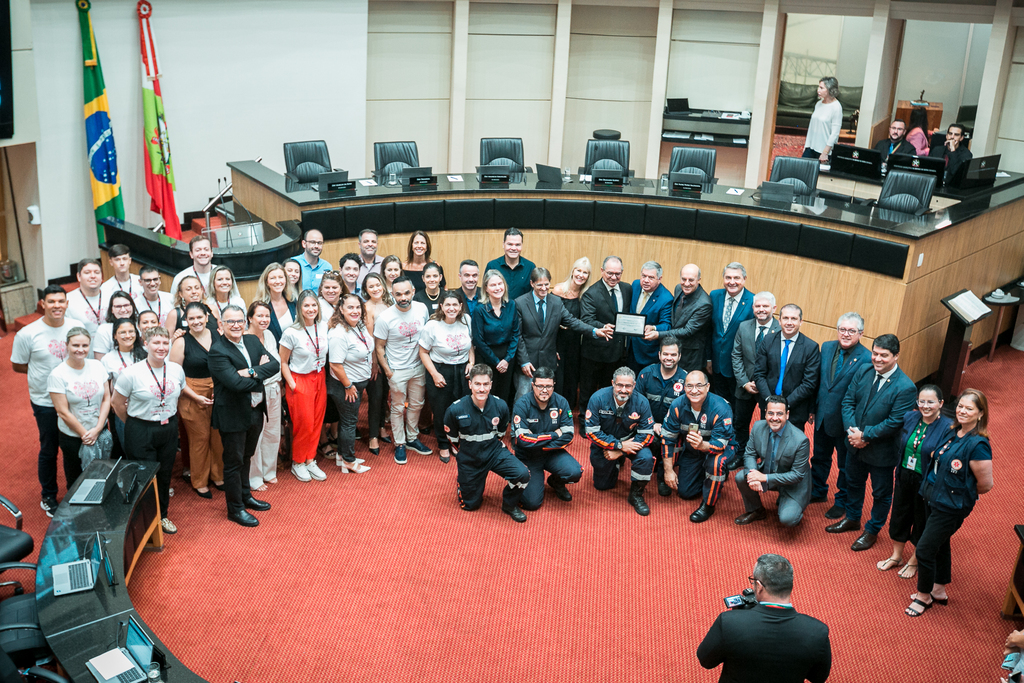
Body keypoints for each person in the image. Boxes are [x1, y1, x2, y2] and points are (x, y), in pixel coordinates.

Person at [905, 389, 994, 617]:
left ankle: (924, 596)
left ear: (981, 414)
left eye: (969, 408)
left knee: (924, 550)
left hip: (950, 506)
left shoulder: (978, 445)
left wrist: (958, 496)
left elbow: (985, 485)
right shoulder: (954, 431)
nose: (962, 411)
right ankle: (939, 589)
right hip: (932, 496)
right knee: (940, 544)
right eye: (960, 406)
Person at [827, 333, 917, 551]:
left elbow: (895, 422)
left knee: (881, 493)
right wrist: (853, 432)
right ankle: (853, 518)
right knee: (853, 483)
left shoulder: (906, 387)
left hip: (882, 452)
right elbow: (848, 401)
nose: (877, 359)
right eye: (875, 353)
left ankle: (872, 530)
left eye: (883, 355)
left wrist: (864, 436)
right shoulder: (864, 369)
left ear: (896, 356)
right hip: (854, 444)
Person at [696, 554, 832, 683]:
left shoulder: (729, 623)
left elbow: (706, 660)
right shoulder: (817, 631)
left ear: (760, 587)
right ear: (789, 585)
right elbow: (818, 677)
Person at [11, 285, 84, 516]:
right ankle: (49, 495)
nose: (56, 306)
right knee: (50, 448)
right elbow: (18, 365)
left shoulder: (76, 328)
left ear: (67, 303)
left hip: (75, 398)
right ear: (42, 304)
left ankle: (79, 490)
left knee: (75, 446)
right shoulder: (28, 334)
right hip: (45, 401)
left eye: (61, 301)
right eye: (51, 302)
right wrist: (48, 379)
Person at [208, 305, 278, 527]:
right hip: (232, 413)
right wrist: (259, 373)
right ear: (221, 325)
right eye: (231, 322)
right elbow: (234, 384)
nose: (236, 325)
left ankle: (246, 496)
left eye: (240, 321)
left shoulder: (253, 341)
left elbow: (275, 365)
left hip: (255, 409)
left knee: (246, 456)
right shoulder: (218, 351)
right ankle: (235, 508)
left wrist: (250, 372)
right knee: (233, 461)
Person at [112, 326, 185, 535]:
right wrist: (136, 424)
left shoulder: (176, 370)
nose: (161, 347)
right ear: (145, 345)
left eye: (165, 343)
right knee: (142, 476)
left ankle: (162, 516)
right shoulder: (131, 373)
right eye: (156, 342)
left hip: (168, 428)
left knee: (164, 474)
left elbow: (176, 396)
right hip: (141, 429)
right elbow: (117, 404)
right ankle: (142, 519)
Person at [876, 385, 953, 578]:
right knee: (900, 515)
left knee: (921, 518)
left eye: (930, 402)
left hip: (927, 481)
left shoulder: (948, 427)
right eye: (921, 401)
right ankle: (896, 556)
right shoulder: (910, 417)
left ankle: (914, 561)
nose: (925, 406)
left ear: (940, 403)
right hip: (904, 475)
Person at [443, 364, 531, 523]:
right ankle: (464, 482)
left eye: (485, 384)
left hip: (494, 452)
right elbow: (453, 439)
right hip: (470, 458)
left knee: (523, 474)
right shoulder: (455, 410)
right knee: (470, 505)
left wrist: (491, 447)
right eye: (477, 384)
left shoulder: (501, 405)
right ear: (470, 384)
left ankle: (509, 505)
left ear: (491, 384)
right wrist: (466, 454)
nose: (481, 389)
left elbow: (501, 432)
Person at [514, 266, 608, 402]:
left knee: (546, 399)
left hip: (548, 361)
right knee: (523, 397)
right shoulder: (520, 303)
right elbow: (518, 335)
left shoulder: (556, 302)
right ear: (532, 284)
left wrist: (594, 331)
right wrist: (524, 361)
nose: (543, 288)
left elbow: (572, 321)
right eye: (539, 285)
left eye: (546, 284)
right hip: (528, 362)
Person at [810, 312, 871, 519]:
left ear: (860, 333)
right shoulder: (827, 347)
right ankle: (817, 491)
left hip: (847, 422)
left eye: (851, 331)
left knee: (845, 466)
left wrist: (854, 424)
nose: (845, 334)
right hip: (822, 415)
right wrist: (813, 408)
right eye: (842, 330)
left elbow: (862, 396)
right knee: (819, 457)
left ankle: (842, 501)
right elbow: (819, 382)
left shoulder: (866, 358)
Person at [662, 370, 735, 523]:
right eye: (689, 386)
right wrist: (668, 471)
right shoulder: (677, 405)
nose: (694, 391)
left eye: (699, 386)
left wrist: (703, 445)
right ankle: (703, 473)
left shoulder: (721, 408)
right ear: (684, 387)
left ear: (708, 387)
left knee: (715, 464)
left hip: (720, 449)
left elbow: (721, 444)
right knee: (685, 492)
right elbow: (667, 438)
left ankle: (708, 505)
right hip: (693, 449)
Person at [374, 277, 432, 464]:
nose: (403, 297)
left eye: (406, 293)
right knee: (398, 408)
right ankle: (399, 443)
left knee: (416, 404)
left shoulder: (422, 309)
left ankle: (412, 438)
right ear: (392, 295)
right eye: (398, 294)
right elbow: (379, 347)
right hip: (397, 370)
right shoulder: (385, 318)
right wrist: (388, 371)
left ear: (413, 291)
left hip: (418, 367)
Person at [47, 327, 111, 498]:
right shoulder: (57, 374)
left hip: (99, 431)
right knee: (77, 479)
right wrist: (85, 434)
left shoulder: (97, 366)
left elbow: (106, 398)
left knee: (102, 474)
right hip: (74, 437)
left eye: (85, 345)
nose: (80, 350)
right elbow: (63, 411)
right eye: (75, 345)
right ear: (66, 345)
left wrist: (98, 429)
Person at [168, 302, 224, 498]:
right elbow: (174, 377)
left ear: (207, 317)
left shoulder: (217, 334)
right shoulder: (181, 341)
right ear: (186, 320)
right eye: (191, 318)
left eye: (199, 317)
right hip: (191, 392)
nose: (196, 321)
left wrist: (221, 388)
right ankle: (200, 481)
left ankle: (218, 475)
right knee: (200, 439)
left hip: (217, 390)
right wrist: (195, 396)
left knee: (217, 436)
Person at [584, 366, 655, 516]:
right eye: (619, 385)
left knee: (646, 458)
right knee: (602, 485)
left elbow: (648, 434)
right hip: (606, 444)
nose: (623, 390)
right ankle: (616, 464)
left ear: (634, 386)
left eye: (628, 386)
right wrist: (618, 446)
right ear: (613, 383)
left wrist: (621, 449)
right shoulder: (597, 398)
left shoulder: (642, 402)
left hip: (632, 441)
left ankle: (636, 494)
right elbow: (591, 433)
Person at [734, 396, 811, 527]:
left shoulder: (800, 440)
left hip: (792, 483)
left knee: (788, 519)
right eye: (770, 413)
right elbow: (750, 454)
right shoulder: (758, 427)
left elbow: (797, 475)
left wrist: (764, 478)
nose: (774, 418)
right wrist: (753, 475)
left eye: (779, 414)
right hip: (769, 470)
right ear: (765, 413)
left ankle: (790, 504)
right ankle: (756, 510)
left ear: (787, 414)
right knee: (742, 476)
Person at [511, 367, 581, 509]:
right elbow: (523, 440)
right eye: (540, 386)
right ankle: (527, 478)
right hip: (529, 457)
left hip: (552, 453)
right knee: (531, 504)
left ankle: (555, 481)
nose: (544, 390)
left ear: (553, 385)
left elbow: (568, 436)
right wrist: (555, 434)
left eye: (548, 386)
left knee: (575, 472)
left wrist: (536, 440)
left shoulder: (561, 402)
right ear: (533, 385)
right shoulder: (521, 404)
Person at [279, 290, 329, 482]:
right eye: (306, 305)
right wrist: (292, 384)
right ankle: (297, 462)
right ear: (299, 308)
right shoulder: (291, 332)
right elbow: (283, 362)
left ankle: (310, 459)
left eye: (314, 305)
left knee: (317, 422)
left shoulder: (323, 326)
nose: (311, 309)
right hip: (300, 380)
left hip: (319, 377)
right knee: (304, 424)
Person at [419, 290, 473, 463]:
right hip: (440, 370)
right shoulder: (432, 325)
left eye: (455, 305)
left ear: (460, 306)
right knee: (441, 410)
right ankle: (443, 444)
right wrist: (434, 374)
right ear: (441, 306)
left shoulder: (466, 320)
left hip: (462, 371)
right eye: (448, 304)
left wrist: (471, 362)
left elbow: (471, 345)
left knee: (461, 409)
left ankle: (455, 443)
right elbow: (423, 352)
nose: (451, 308)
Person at [752, 304, 820, 434]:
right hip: (768, 406)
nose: (789, 323)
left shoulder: (811, 347)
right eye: (786, 318)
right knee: (765, 443)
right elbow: (759, 373)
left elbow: (809, 383)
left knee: (790, 449)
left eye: (794, 319)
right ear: (779, 321)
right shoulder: (768, 340)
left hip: (795, 409)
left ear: (801, 322)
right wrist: (769, 401)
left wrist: (784, 404)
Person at [325, 293, 374, 474]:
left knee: (348, 421)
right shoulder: (338, 333)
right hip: (345, 387)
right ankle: (348, 461)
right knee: (349, 423)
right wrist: (348, 385)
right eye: (350, 307)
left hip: (355, 383)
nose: (355, 311)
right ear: (341, 310)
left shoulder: (357, 325)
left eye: (358, 307)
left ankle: (341, 455)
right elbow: (335, 364)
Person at [579, 256, 632, 417]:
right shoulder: (591, 293)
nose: (614, 277)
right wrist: (602, 327)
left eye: (618, 273)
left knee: (609, 391)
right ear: (602, 271)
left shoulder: (627, 289)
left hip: (617, 353)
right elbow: (586, 320)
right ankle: (584, 420)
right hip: (594, 353)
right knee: (587, 391)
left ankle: (605, 419)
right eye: (610, 273)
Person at [636, 336, 688, 497]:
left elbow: (686, 412)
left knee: (665, 439)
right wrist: (651, 424)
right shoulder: (646, 374)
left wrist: (667, 426)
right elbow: (636, 404)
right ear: (659, 355)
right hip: (646, 425)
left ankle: (662, 476)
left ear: (679, 356)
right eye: (665, 354)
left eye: (673, 355)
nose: (669, 358)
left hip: (673, 429)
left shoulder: (686, 380)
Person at [731, 291, 779, 460]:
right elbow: (736, 355)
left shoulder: (780, 330)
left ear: (773, 308)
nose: (761, 309)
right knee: (740, 423)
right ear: (753, 308)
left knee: (766, 425)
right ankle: (740, 455)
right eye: (758, 306)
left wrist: (762, 385)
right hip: (745, 386)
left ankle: (763, 459)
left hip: (768, 389)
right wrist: (744, 382)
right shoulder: (744, 326)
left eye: (765, 306)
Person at [645, 263, 711, 375]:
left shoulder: (704, 304)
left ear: (699, 280)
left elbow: (687, 330)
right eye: (683, 279)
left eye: (691, 280)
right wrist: (654, 327)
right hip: (672, 350)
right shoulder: (678, 289)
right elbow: (675, 319)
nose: (686, 283)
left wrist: (658, 334)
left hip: (690, 356)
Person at [245, 301, 283, 492]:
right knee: (256, 435)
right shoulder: (244, 338)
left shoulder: (269, 335)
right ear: (250, 318)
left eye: (267, 316)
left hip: (274, 388)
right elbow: (251, 371)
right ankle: (254, 476)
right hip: (255, 392)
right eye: (259, 316)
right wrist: (261, 369)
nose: (264, 320)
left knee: (272, 432)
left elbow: (273, 364)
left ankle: (269, 471)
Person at [472, 270, 520, 405]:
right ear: (486, 288)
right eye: (493, 285)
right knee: (486, 393)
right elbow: (478, 340)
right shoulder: (479, 310)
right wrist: (496, 361)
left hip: (507, 357)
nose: (497, 288)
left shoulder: (511, 305)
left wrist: (507, 359)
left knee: (504, 393)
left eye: (500, 284)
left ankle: (502, 424)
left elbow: (516, 333)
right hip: (486, 357)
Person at [709, 262, 753, 405]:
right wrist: (709, 358)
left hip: (739, 367)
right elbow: (710, 330)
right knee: (718, 402)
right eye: (728, 278)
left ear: (744, 279)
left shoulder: (753, 301)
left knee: (736, 406)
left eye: (736, 278)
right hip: (716, 363)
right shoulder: (715, 296)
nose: (732, 282)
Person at [551, 257, 592, 409]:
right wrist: (552, 347)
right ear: (573, 271)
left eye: (585, 272)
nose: (581, 275)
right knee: (558, 376)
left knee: (572, 376)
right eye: (578, 270)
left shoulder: (586, 294)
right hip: (558, 339)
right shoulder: (558, 290)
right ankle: (555, 408)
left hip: (576, 342)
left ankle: (568, 410)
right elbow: (550, 320)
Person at [101, 318, 146, 445]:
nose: (128, 336)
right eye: (122, 332)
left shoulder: (146, 354)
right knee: (129, 448)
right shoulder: (108, 359)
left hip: (144, 408)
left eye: (131, 331)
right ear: (115, 335)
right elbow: (108, 388)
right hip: (122, 411)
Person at [361, 271, 393, 455]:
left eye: (377, 285)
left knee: (384, 397)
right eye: (371, 286)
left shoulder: (389, 304)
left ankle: (381, 427)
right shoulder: (366, 308)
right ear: (366, 289)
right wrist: (374, 362)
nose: (375, 288)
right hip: (374, 358)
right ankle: (373, 435)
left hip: (390, 356)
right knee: (375, 396)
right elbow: (370, 338)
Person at [629, 261, 673, 371]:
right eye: (643, 276)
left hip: (648, 352)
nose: (646, 280)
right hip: (630, 347)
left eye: (651, 277)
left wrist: (653, 328)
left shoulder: (666, 298)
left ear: (659, 279)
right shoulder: (635, 285)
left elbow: (666, 325)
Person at [486, 227, 536, 301]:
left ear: (522, 245)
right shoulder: (492, 266)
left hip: (522, 311)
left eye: (517, 245)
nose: (513, 248)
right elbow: (486, 293)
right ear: (503, 244)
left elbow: (533, 295)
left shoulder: (530, 267)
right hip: (498, 311)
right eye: (510, 244)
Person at [803, 76, 843, 163]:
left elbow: (835, 134)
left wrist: (825, 152)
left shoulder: (836, 107)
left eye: (821, 88)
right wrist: (806, 146)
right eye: (818, 87)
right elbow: (811, 127)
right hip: (811, 148)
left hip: (824, 152)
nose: (818, 90)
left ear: (830, 90)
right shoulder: (818, 104)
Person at [254, 262, 296, 342]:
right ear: (266, 282)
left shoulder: (293, 301)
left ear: (285, 280)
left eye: (280, 277)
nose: (277, 281)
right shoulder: (260, 307)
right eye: (273, 278)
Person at [92, 291, 139, 359]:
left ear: (132, 306)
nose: (123, 310)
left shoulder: (140, 325)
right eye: (118, 306)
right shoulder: (104, 330)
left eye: (126, 305)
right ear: (111, 309)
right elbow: (100, 361)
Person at [66, 258, 105, 337]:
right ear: (79, 276)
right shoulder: (68, 300)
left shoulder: (111, 295)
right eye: (87, 273)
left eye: (97, 272)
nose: (93, 276)